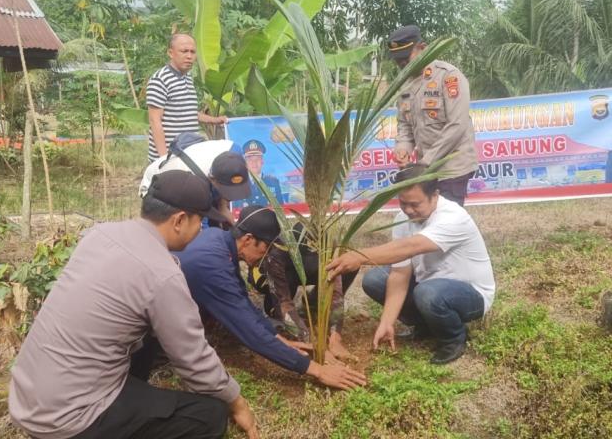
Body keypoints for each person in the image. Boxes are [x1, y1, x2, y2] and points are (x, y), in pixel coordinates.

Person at [9, 170, 258, 439]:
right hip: (70, 419)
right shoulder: (162, 274)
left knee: (149, 335)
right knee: (209, 416)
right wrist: (236, 401)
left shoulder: (100, 234)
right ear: (180, 220)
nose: (200, 230)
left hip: (27, 396)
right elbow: (194, 360)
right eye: (200, 221)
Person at [142, 206, 367, 390]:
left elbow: (243, 302)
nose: (265, 258)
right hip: (142, 333)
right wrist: (316, 369)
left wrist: (282, 340)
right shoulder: (211, 265)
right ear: (249, 239)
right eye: (265, 250)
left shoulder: (218, 239)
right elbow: (249, 333)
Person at [326, 164, 495, 364]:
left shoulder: (453, 217)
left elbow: (410, 246)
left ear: (435, 195)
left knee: (428, 293)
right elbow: (400, 273)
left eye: (415, 204)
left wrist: (359, 256)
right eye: (403, 203)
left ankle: (453, 337)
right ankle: (425, 325)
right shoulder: (403, 220)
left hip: (470, 294)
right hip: (428, 287)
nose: (408, 210)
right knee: (375, 279)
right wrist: (387, 322)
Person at [389, 25, 478, 206]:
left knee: (447, 222)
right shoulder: (404, 85)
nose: (403, 64)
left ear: (423, 48)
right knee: (427, 218)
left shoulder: (448, 77)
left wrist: (425, 162)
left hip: (452, 167)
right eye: (398, 61)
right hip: (425, 169)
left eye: (406, 58)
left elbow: (457, 125)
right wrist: (403, 148)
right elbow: (405, 125)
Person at [247, 223, 358, 361]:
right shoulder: (276, 252)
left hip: (308, 268)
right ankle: (281, 315)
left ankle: (311, 304)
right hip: (278, 274)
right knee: (277, 313)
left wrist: (335, 336)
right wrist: (311, 342)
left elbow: (335, 291)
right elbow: (284, 305)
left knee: (349, 267)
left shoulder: (328, 246)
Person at [146, 33, 228, 162]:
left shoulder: (187, 78)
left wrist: (215, 120)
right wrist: (162, 159)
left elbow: (187, 112)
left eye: (192, 52)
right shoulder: (160, 80)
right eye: (184, 51)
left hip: (188, 155)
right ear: (170, 53)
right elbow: (155, 121)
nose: (189, 56)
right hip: (169, 157)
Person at [139, 132, 250, 226]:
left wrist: (236, 230)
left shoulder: (236, 153)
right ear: (212, 180)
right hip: (155, 185)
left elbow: (222, 208)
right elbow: (199, 224)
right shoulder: (194, 183)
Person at [238, 139, 284, 207]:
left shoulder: (273, 182)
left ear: (262, 161)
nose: (254, 162)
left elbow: (280, 208)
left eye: (257, 159)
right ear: (245, 162)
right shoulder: (239, 184)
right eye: (250, 159)